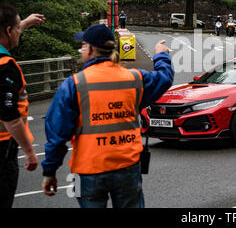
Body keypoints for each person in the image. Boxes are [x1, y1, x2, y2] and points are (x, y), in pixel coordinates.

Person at [41, 23, 174, 208]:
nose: (81, 50)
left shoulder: (74, 85)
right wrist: (161, 54)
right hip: (127, 166)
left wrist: (49, 171)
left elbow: (56, 134)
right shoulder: (135, 79)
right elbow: (164, 78)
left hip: (87, 170)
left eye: (83, 45)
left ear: (90, 49)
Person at [0, 3, 43, 208]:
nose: (19, 32)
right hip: (4, 147)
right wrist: (29, 151)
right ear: (8, 30)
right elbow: (9, 113)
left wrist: (23, 23)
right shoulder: (6, 67)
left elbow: (8, 30)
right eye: (17, 28)